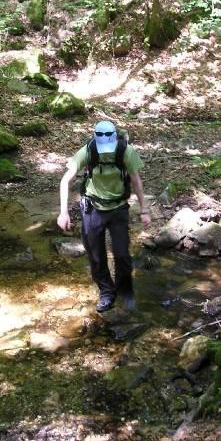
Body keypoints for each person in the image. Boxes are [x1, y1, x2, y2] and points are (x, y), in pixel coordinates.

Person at [57, 120, 151, 312]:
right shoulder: (88, 151)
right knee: (96, 255)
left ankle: (125, 290)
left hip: (118, 208)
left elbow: (136, 181)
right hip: (92, 208)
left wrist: (144, 210)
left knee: (122, 254)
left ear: (115, 139)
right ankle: (107, 292)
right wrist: (63, 212)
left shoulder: (126, 151)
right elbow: (66, 180)